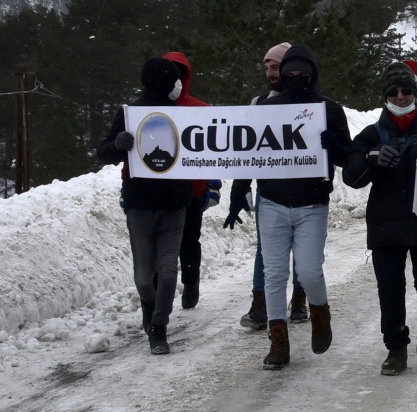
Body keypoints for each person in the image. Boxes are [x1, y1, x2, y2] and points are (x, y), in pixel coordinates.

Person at [247, 44, 352, 369]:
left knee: (308, 270)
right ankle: (278, 340)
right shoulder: (265, 107)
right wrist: (240, 189)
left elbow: (348, 157)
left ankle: (319, 312)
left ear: (313, 74)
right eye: (289, 72)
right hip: (273, 202)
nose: (295, 77)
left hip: (312, 204)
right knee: (274, 274)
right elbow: (249, 151)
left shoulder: (329, 109)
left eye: (302, 72)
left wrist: (335, 148)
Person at [343, 62, 417, 376]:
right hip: (386, 224)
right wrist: (370, 157)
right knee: (390, 291)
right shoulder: (371, 134)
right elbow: (352, 177)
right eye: (394, 91)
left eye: (407, 90)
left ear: (416, 94)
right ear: (385, 96)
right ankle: (396, 347)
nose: (401, 96)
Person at [96, 57, 190, 355]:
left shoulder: (186, 117)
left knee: (167, 270)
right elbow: (104, 152)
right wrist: (117, 145)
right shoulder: (129, 114)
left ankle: (159, 328)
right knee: (143, 275)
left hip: (175, 205)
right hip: (140, 205)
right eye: (175, 80)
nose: (178, 86)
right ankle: (149, 306)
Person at [224, 42, 303, 330]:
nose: (270, 72)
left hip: (303, 189)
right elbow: (249, 150)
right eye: (266, 67)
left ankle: (299, 297)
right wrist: (239, 188)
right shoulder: (259, 104)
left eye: (275, 66)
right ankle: (261, 304)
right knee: (266, 249)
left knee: (302, 248)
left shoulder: (308, 103)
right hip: (269, 189)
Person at [162, 52, 221, 309]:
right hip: (159, 188)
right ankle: (160, 291)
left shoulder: (201, 109)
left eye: (179, 73)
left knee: (188, 240)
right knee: (162, 244)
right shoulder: (150, 108)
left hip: (194, 189)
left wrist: (213, 182)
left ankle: (191, 282)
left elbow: (213, 149)